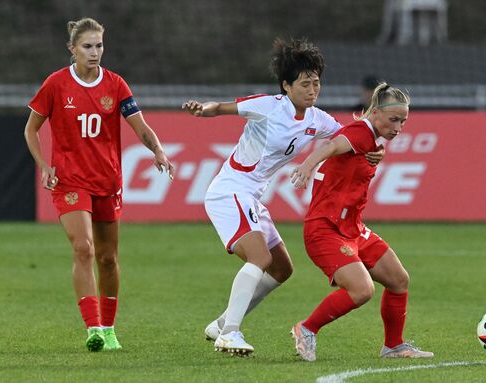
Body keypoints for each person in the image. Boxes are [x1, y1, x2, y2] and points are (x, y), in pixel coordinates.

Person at [182, 38, 385, 356]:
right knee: (259, 259)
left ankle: (221, 323)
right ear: (286, 86)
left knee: (281, 269)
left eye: (316, 82)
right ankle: (231, 333)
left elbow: (348, 137)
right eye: (305, 83)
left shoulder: (317, 119)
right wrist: (200, 109)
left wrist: (377, 149)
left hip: (251, 196)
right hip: (230, 191)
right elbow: (221, 108)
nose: (312, 89)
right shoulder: (269, 106)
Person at [24, 18, 174, 352]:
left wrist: (159, 150)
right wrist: (44, 164)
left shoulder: (116, 85)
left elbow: (140, 126)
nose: (95, 53)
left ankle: (109, 329)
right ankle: (92, 327)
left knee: (107, 258)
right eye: (88, 46)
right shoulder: (56, 84)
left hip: (107, 180)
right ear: (72, 49)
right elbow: (30, 129)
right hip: (70, 181)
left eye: (99, 46)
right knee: (84, 248)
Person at [290, 82, 434, 362]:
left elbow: (357, 152)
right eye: (393, 119)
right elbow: (332, 146)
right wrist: (308, 165)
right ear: (375, 113)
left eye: (403, 121)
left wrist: (378, 153)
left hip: (353, 229)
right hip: (326, 229)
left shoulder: (373, 139)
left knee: (398, 280)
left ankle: (393, 346)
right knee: (362, 289)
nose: (398, 127)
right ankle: (306, 328)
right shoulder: (360, 132)